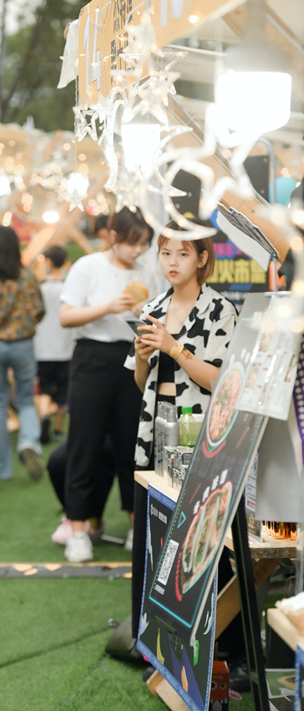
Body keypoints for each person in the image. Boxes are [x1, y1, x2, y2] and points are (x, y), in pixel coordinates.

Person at [124, 220, 237, 652]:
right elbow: (143, 385)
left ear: (203, 259)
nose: (172, 262)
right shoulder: (151, 307)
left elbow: (222, 383)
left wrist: (174, 348)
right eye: (166, 253)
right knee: (156, 536)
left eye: (183, 254)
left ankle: (218, 647)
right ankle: (151, 639)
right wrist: (140, 359)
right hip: (156, 433)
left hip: (201, 435)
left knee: (204, 538)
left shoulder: (219, 310)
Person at [60, 207, 155, 562]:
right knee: (84, 444)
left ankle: (136, 527)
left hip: (135, 359)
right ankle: (78, 529)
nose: (137, 251)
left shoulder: (147, 273)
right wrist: (108, 307)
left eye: (144, 244)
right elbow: (66, 316)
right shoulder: (87, 266)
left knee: (133, 446)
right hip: (92, 360)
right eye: (132, 242)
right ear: (114, 236)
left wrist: (142, 315)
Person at [0, 225, 45, 480]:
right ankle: (28, 442)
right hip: (23, 344)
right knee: (25, 399)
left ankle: (1, 470)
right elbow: (40, 310)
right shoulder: (28, 276)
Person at [34, 245, 74, 444]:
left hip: (43, 348)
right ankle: (58, 427)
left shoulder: (40, 288)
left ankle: (44, 417)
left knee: (44, 388)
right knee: (64, 390)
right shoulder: (69, 289)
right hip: (65, 349)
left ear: (48, 262)